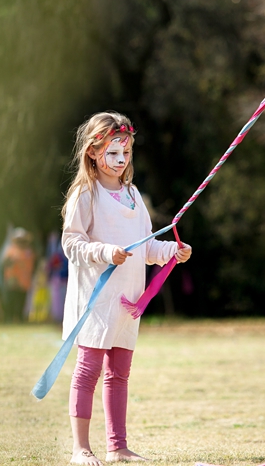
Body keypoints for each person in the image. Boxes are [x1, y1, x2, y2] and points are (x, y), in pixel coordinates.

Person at [61, 111, 192, 465]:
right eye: (112, 153)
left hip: (126, 301)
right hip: (95, 300)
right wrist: (105, 252)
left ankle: (117, 447)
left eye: (126, 154)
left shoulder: (133, 194)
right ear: (93, 152)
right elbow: (71, 243)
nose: (120, 161)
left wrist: (172, 252)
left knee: (119, 374)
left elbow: (146, 245)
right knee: (87, 371)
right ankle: (80, 449)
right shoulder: (85, 194)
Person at [1, 227, 36, 323]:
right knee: (11, 301)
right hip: (12, 281)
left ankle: (20, 319)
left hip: (24, 282)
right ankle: (9, 319)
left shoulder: (29, 252)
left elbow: (30, 266)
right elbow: (4, 263)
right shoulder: (10, 250)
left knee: (21, 302)